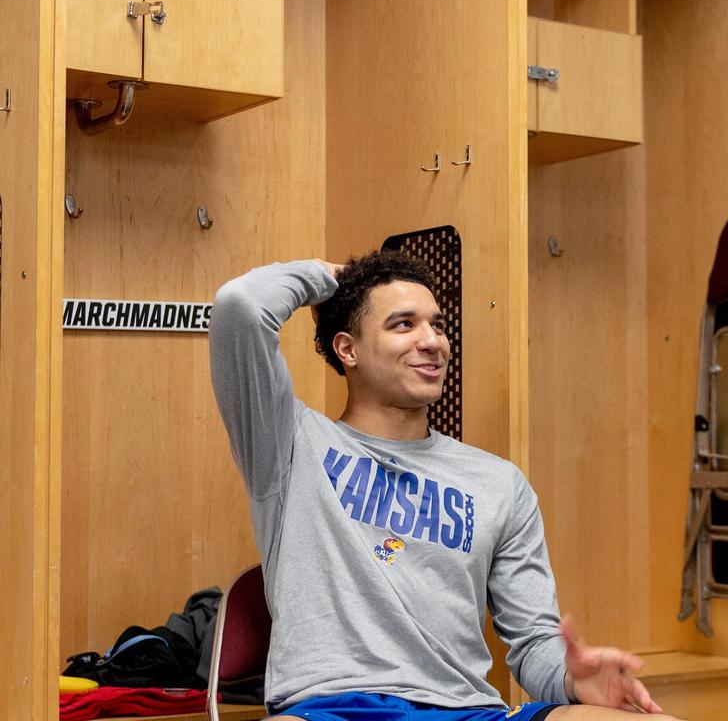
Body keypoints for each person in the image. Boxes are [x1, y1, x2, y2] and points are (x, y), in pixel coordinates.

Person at [209, 252, 679, 721]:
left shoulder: (499, 483)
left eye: (437, 324)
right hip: (332, 709)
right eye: (403, 324)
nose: (432, 341)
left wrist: (574, 680)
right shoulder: (289, 446)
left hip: (470, 712)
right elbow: (241, 305)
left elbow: (534, 643)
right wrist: (329, 277)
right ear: (347, 349)